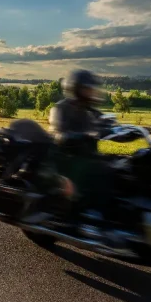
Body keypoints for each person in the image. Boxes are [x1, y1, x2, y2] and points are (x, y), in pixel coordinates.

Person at [48, 69, 110, 235]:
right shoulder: (60, 108)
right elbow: (59, 132)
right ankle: (70, 218)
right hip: (66, 157)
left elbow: (106, 124)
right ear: (75, 89)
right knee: (88, 175)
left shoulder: (91, 111)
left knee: (117, 167)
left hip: (87, 156)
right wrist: (82, 135)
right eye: (86, 89)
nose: (91, 92)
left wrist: (131, 131)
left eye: (91, 89)